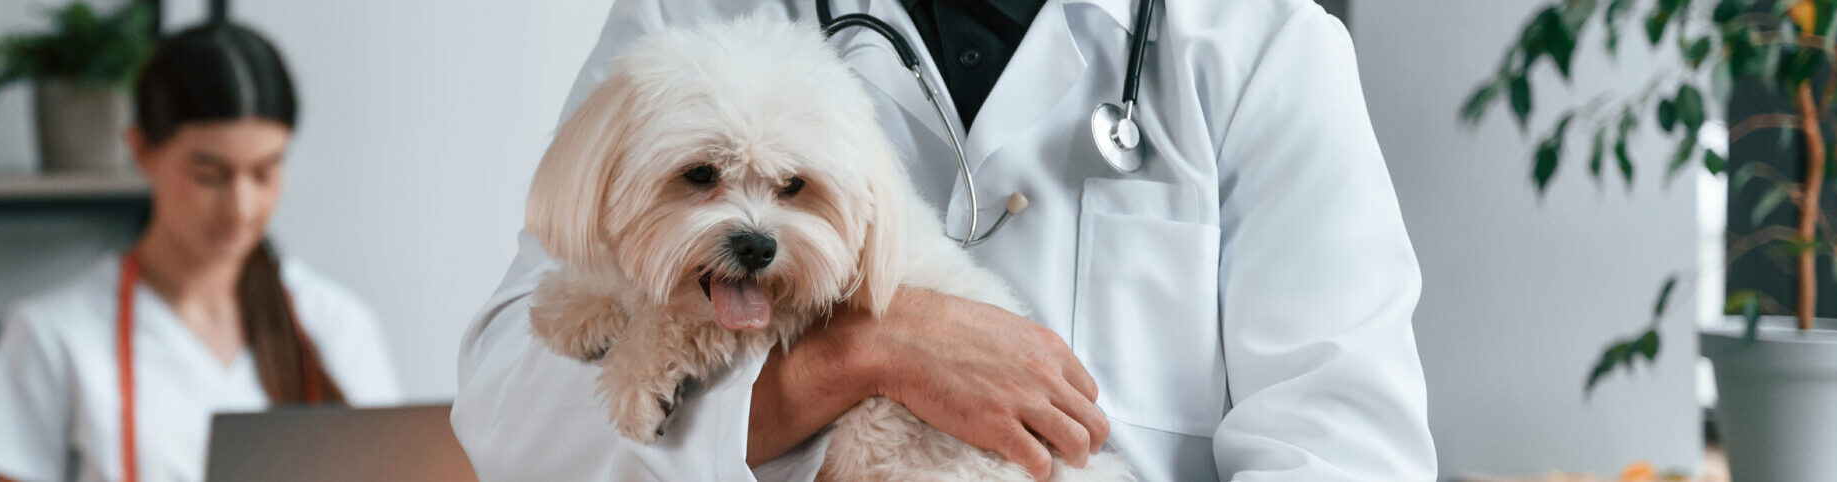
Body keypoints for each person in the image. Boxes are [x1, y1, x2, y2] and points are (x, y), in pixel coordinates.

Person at [451, 0, 1435, 480]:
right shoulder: (701, 18)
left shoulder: (1261, 44)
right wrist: (860, 352)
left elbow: (1344, 452)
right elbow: (515, 416)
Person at [0, 20, 401, 482]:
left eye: (264, 172)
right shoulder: (53, 334)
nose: (241, 208)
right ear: (141, 149)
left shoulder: (336, 324)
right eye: (210, 174)